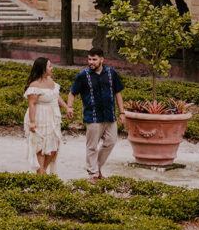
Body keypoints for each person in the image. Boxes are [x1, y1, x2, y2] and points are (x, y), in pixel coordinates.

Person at [66, 47, 124, 184]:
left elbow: (118, 93)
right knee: (92, 147)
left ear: (102, 60)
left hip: (110, 115)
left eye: (94, 59)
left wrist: (122, 112)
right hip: (92, 117)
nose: (91, 62)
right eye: (89, 59)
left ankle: (96, 168)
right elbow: (72, 92)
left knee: (111, 142)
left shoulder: (111, 73)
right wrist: (69, 107)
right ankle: (93, 173)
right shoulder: (83, 75)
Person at [23, 56, 70, 175]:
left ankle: (43, 170)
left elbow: (56, 95)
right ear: (43, 69)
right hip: (40, 116)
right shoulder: (34, 85)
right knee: (41, 146)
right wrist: (32, 122)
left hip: (52, 116)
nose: (51, 68)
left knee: (54, 146)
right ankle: (41, 174)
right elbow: (32, 104)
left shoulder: (50, 80)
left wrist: (66, 107)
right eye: (49, 66)